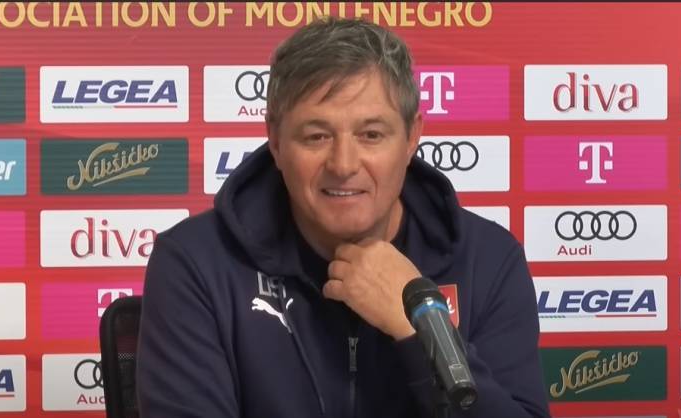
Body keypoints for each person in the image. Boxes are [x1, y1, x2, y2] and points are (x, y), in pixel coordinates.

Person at [136, 17, 550, 418]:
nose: (344, 164)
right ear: (275, 141)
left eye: (371, 135)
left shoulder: (488, 260)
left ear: (412, 138)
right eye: (316, 136)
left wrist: (416, 329)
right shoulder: (196, 263)